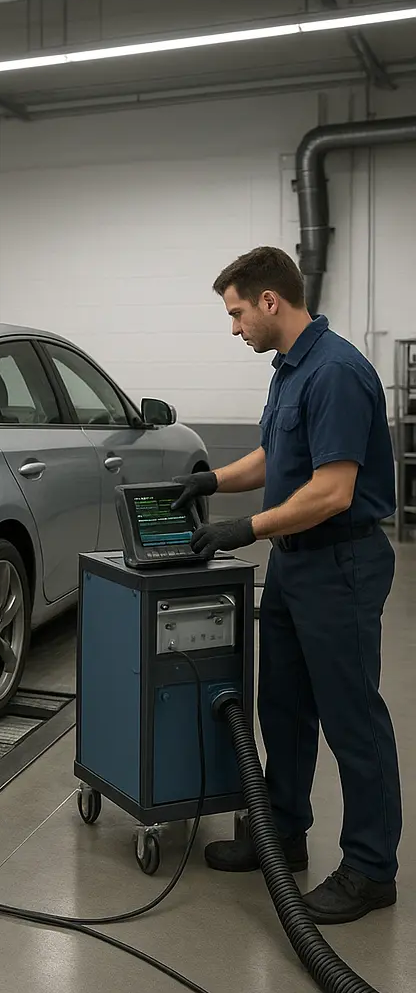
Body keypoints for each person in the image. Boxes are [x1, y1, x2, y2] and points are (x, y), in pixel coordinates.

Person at [172, 246, 401, 925]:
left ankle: (369, 869)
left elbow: (332, 491)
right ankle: (285, 836)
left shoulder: (336, 374)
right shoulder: (291, 371)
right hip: (298, 563)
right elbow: (278, 455)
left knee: (352, 720)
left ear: (270, 301)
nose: (235, 327)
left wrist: (246, 530)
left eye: (238, 312)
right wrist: (212, 481)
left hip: (340, 562)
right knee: (285, 708)